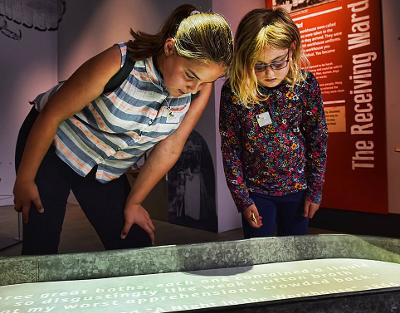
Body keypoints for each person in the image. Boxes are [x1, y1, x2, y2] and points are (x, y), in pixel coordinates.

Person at [13, 4, 233, 255]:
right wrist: (25, 178)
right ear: (170, 47)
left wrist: (135, 202)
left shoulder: (197, 90)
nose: (194, 88)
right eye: (190, 76)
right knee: (40, 247)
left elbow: (171, 147)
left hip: (106, 167)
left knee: (134, 245)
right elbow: (52, 114)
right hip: (54, 146)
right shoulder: (120, 62)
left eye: (206, 82)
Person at [219, 8, 327, 239]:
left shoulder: (305, 85)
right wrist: (242, 199)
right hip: (256, 193)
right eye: (258, 65)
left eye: (278, 63)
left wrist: (315, 191)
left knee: (297, 253)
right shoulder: (234, 91)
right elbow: (230, 150)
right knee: (259, 256)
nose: (269, 73)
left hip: (298, 190)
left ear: (292, 50)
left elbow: (318, 141)